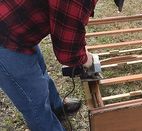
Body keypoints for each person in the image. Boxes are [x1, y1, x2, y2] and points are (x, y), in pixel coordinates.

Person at [0, 0, 124, 131]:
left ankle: (57, 108)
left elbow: (69, 24)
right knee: (35, 105)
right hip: (4, 36)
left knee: (41, 72)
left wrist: (83, 49)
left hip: (18, 27)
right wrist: (87, 60)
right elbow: (67, 54)